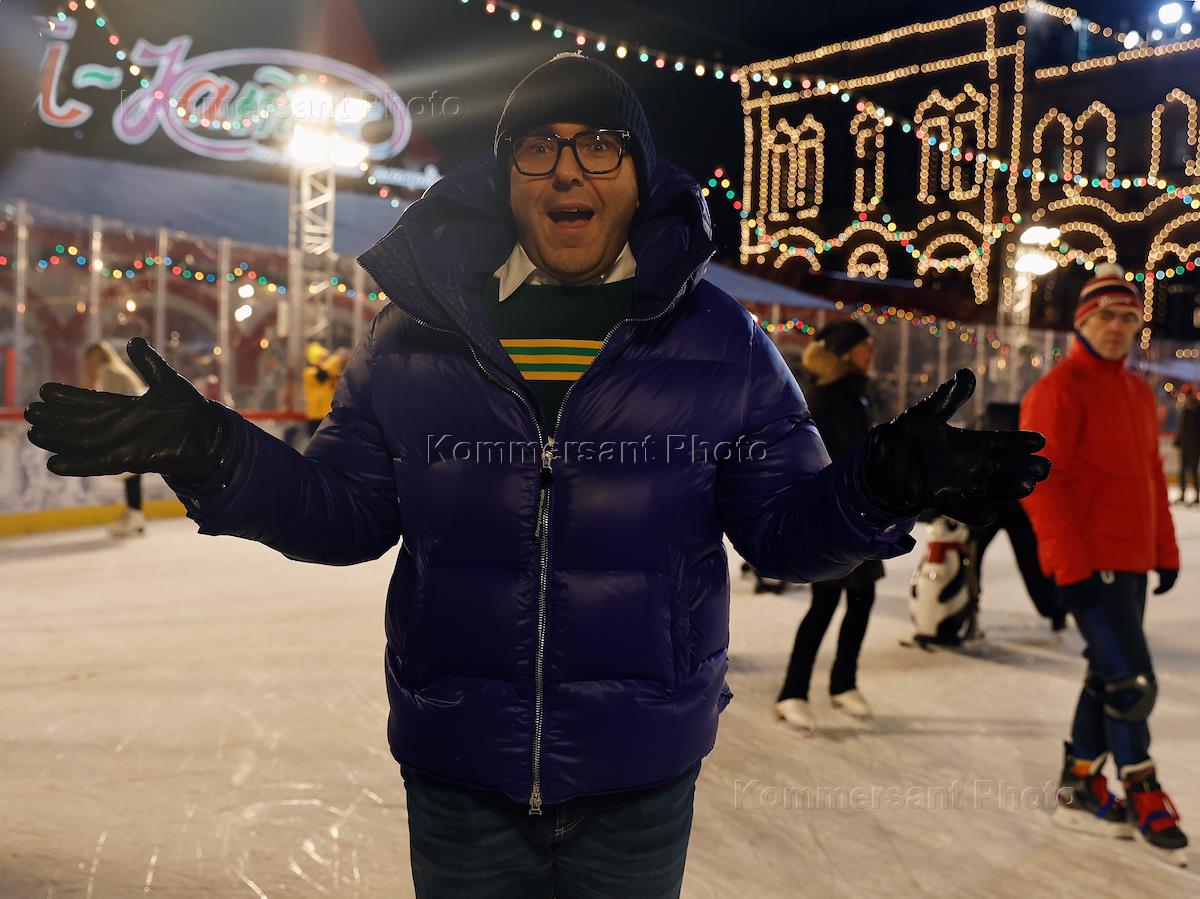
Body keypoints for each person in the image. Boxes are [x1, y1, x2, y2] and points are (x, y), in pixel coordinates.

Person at [25, 54, 1049, 897]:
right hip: (460, 766)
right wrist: (218, 451)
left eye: (599, 145)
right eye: (538, 147)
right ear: (506, 176)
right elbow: (344, 514)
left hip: (639, 770)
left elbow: (784, 534)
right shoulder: (413, 334)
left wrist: (875, 486)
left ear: (638, 175)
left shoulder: (722, 341)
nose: (568, 171)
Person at [1020, 264, 1187, 866]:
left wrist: (1165, 553)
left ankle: (1080, 784)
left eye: (1127, 318)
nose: (1116, 328)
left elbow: (1151, 480)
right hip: (1089, 564)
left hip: (1132, 561)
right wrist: (1069, 568)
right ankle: (1142, 787)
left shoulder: (1139, 394)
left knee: (1106, 675)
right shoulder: (1057, 390)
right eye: (1105, 316)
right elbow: (1042, 485)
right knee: (1131, 683)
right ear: (1083, 322)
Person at [774, 320, 883, 731]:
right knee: (825, 603)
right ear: (843, 351)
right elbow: (813, 459)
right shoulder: (824, 396)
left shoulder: (858, 393)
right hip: (834, 518)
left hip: (862, 515)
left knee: (862, 598)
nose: (870, 352)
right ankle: (792, 692)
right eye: (864, 345)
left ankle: (843, 683)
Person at [971, 402, 1066, 632]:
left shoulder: (985, 424)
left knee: (970, 557)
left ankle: (967, 610)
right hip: (1018, 502)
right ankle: (1054, 611)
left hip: (989, 500)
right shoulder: (1028, 423)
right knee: (1031, 563)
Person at [82, 341, 147, 537]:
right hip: (136, 427)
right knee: (130, 473)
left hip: (130, 428)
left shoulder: (108, 372)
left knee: (130, 472)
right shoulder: (117, 370)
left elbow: (110, 405)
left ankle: (135, 516)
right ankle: (133, 514)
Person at [1173, 384, 1200, 505]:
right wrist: (1178, 440)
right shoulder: (1184, 407)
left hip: (1194, 444)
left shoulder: (1197, 407)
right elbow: (1181, 427)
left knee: (1193, 470)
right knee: (1183, 470)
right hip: (1185, 443)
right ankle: (1183, 494)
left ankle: (1197, 495)